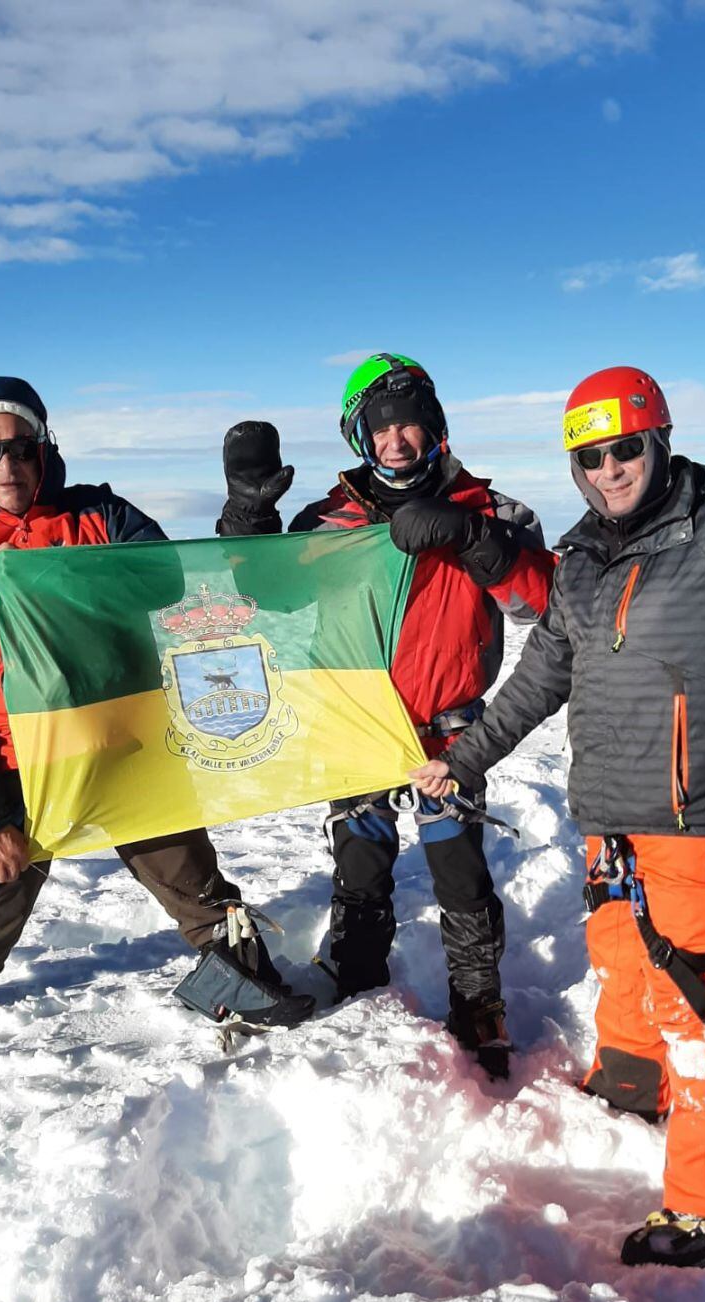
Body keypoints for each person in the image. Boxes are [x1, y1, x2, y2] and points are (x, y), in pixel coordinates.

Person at [412, 365, 705, 1263]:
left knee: (694, 1003)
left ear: (657, 439)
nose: (608, 469)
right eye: (589, 457)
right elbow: (540, 677)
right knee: (620, 957)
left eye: (623, 448)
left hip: (696, 817)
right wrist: (460, 760)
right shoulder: (585, 556)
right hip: (612, 817)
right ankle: (631, 1082)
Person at [0, 376, 312, 1057]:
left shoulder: (103, 519)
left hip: (123, 748)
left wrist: (240, 519)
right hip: (17, 771)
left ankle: (250, 998)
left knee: (197, 887)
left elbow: (172, 584)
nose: (8, 466)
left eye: (22, 447)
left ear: (43, 449)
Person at [217, 353, 556, 1076]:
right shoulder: (331, 520)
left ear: (434, 427)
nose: (395, 440)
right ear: (357, 438)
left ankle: (478, 998)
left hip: (453, 726)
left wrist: (473, 540)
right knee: (362, 859)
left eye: (408, 422)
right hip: (360, 723)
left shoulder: (493, 511)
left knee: (458, 867)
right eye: (378, 427)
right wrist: (248, 511)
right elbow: (260, 596)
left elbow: (541, 605)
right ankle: (360, 970)